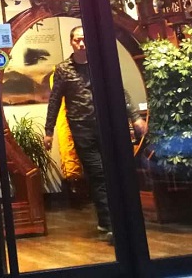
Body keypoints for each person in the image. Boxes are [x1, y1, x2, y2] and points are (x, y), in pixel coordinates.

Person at [43, 25, 147, 242]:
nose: (82, 43)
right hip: (82, 129)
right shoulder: (63, 69)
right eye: (77, 40)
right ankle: (109, 224)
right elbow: (54, 100)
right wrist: (49, 131)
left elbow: (120, 90)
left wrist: (136, 117)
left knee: (113, 172)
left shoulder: (100, 64)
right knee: (98, 174)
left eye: (84, 39)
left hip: (107, 126)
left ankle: (116, 220)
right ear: (71, 42)